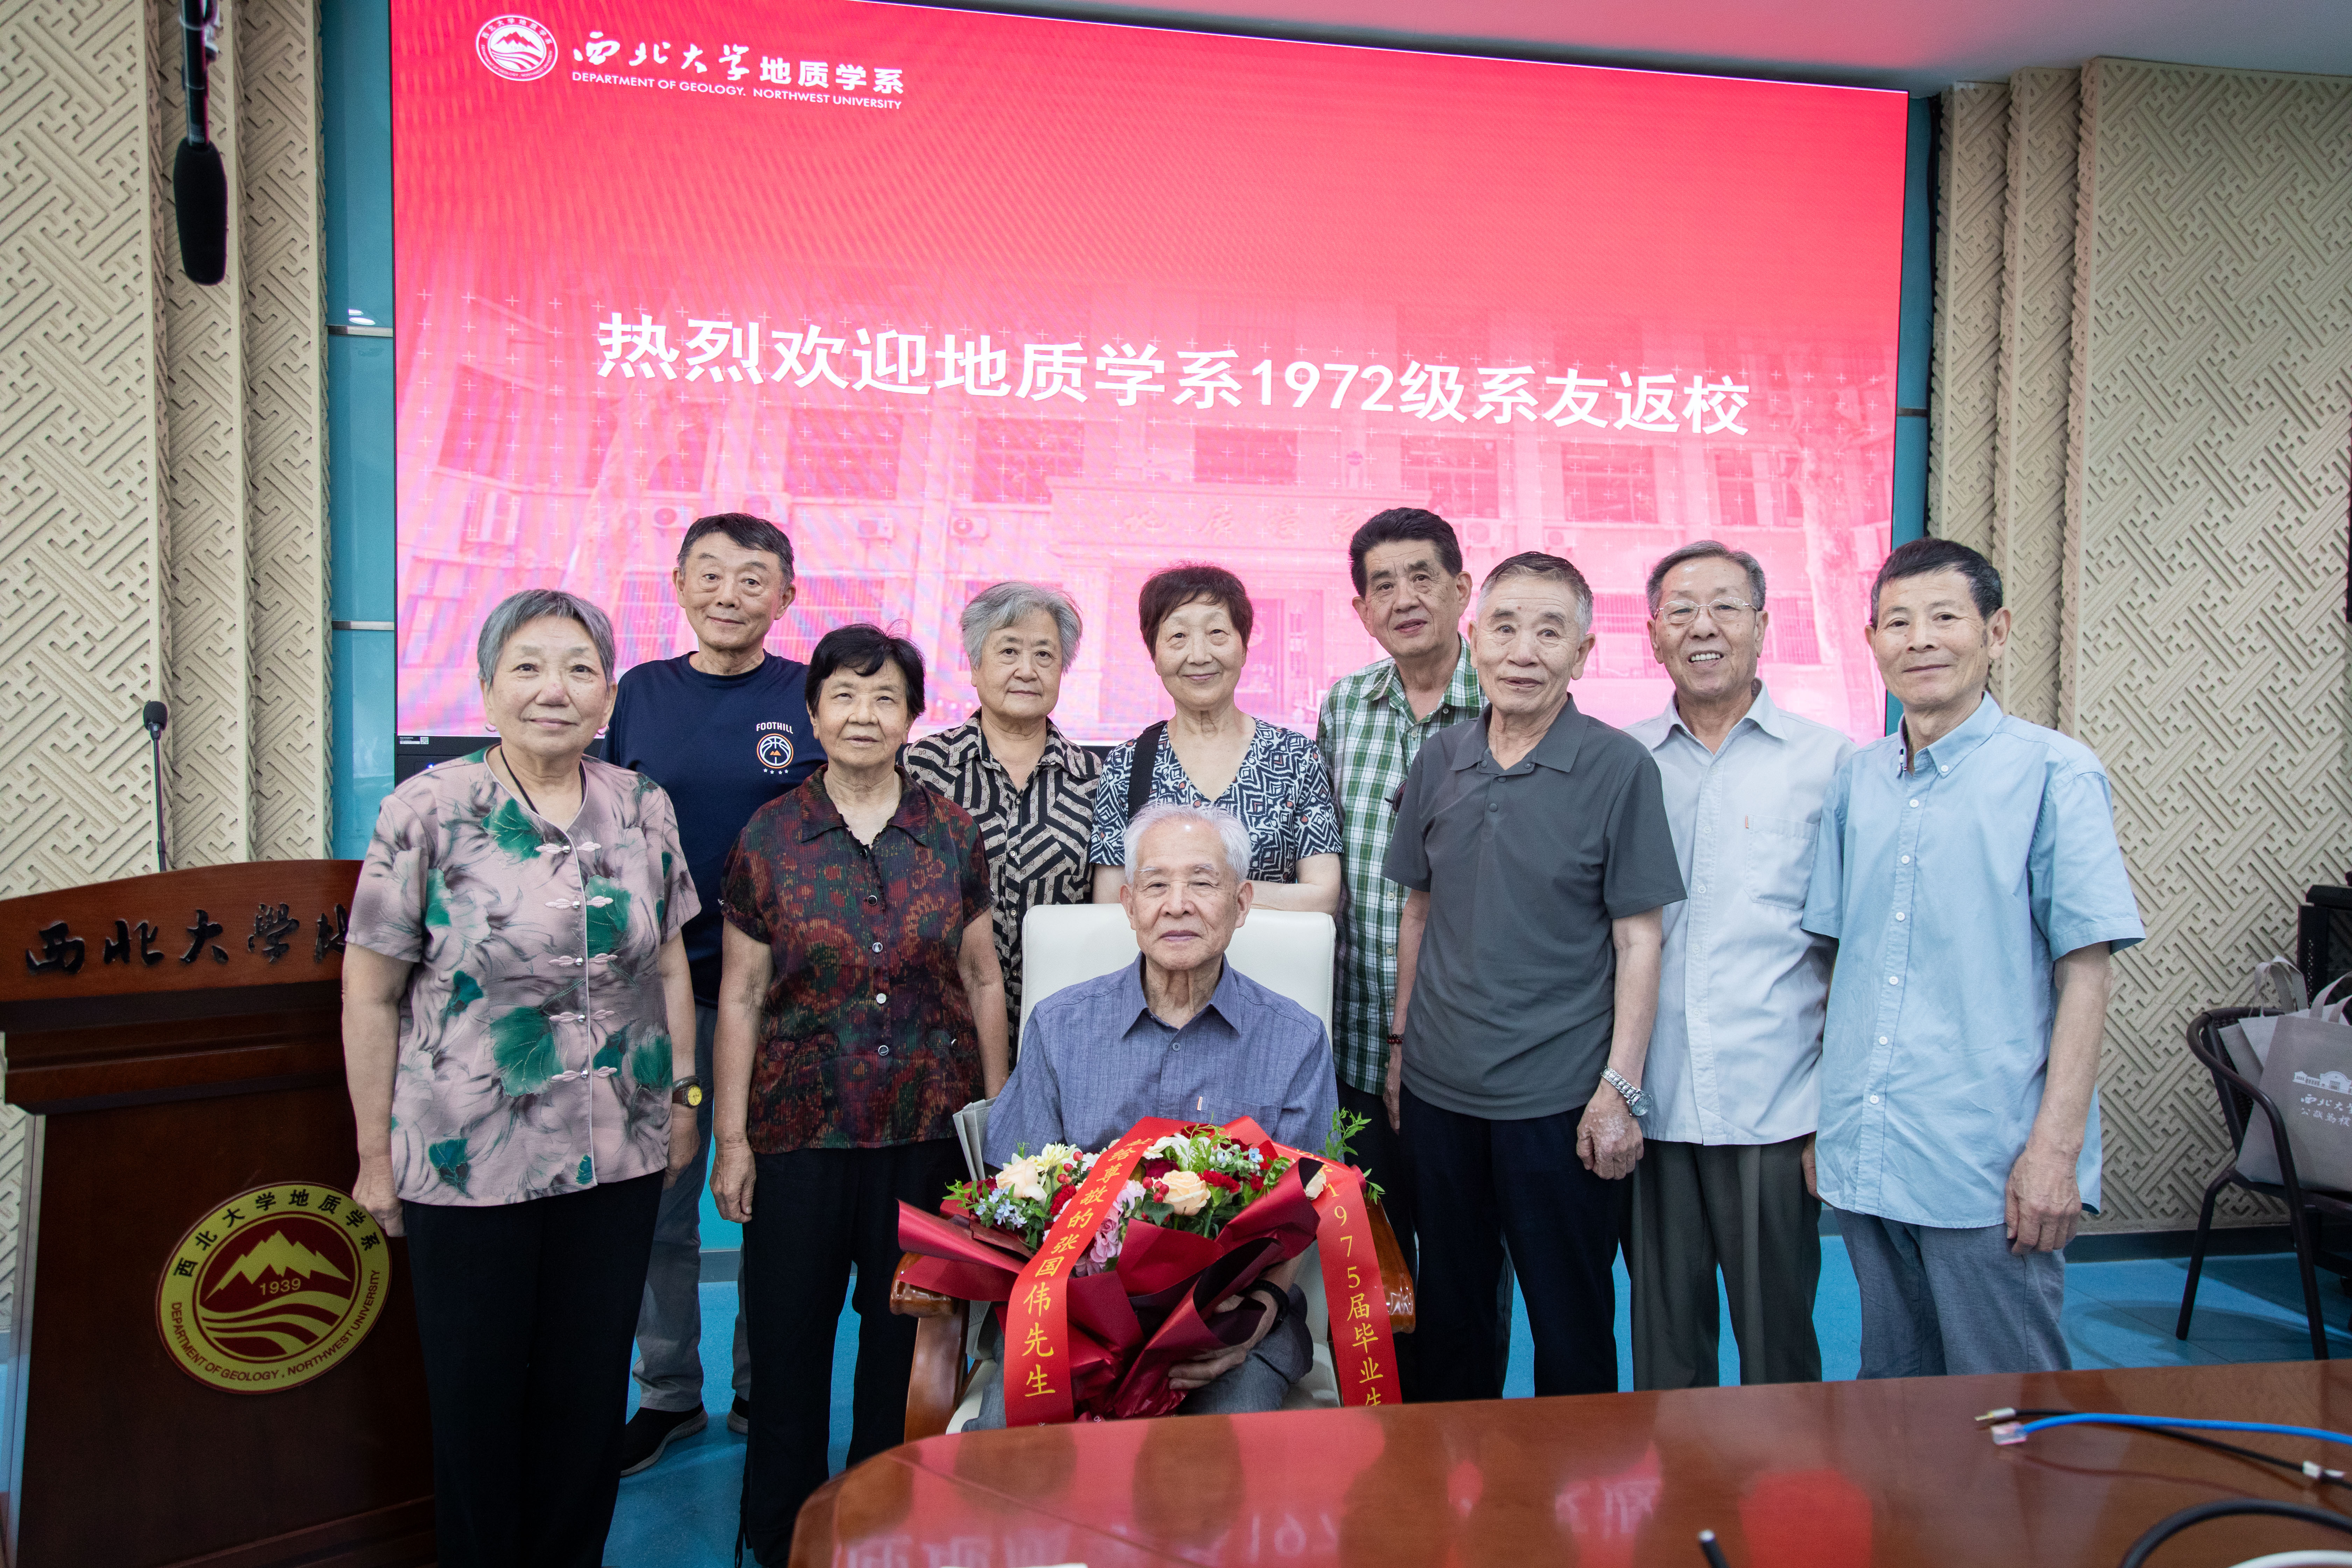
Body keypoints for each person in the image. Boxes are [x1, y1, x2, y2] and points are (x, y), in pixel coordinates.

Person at [341, 588, 701, 1568]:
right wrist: (374, 1157)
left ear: (609, 695)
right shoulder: (429, 809)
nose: (556, 690)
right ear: (488, 687)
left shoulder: (641, 805)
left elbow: (670, 967)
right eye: (530, 667)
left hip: (618, 1149)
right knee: (478, 1402)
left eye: (581, 670)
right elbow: (370, 992)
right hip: (469, 1159)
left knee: (585, 1398)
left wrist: (684, 1102)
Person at [1804, 537, 2142, 1377]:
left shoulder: (2056, 773)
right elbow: (1840, 962)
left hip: (1986, 1158)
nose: (1920, 639)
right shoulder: (1856, 781)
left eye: (1945, 617)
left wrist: (2054, 1152)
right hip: (1869, 1142)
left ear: (1996, 631)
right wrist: (1824, 1123)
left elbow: (2087, 972)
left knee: (2007, 1403)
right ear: (1872, 640)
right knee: (1892, 1387)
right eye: (1897, 622)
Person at [710, 623, 1009, 1564]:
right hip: (799, 1135)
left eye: (886, 698)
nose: (864, 715)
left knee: (905, 1350)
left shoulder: (952, 832)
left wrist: (998, 1120)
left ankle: (885, 1531)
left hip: (926, 1132)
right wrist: (732, 1140)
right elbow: (742, 994)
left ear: (914, 716)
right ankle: (782, 1536)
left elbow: (984, 978)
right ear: (812, 713)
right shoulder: (769, 836)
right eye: (844, 695)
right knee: (789, 1350)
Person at [1384, 552, 1685, 1401]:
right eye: (1506, 627)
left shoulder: (1620, 768)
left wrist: (1619, 1089)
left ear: (1583, 653)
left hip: (1560, 1101)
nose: (1524, 651)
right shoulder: (1440, 758)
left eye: (1550, 632)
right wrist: (1401, 1049)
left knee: (1571, 1322)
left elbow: (1640, 940)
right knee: (1452, 1313)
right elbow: (1419, 911)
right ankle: (1455, 1473)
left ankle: (1574, 1482)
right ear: (1475, 638)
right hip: (1440, 1092)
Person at [981, 800, 1339, 1423]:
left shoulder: (1296, 1040)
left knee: (1226, 1450)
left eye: (1202, 883)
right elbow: (1018, 1195)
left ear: (1242, 904)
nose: (1177, 905)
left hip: (1230, 1323)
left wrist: (1254, 1321)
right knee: (1011, 1446)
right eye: (1155, 885)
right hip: (1075, 1323)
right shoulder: (1059, 1027)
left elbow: (1301, 1213)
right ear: (1128, 905)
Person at [605, 511, 822, 1473]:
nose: (729, 594)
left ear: (786, 596)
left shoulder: (809, 695)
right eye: (711, 574)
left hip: (778, 998)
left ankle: (760, 1386)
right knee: (661, 1203)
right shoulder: (640, 694)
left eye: (752, 578)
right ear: (679, 584)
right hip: (658, 989)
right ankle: (668, 1393)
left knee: (770, 1202)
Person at [1622, 541, 1854, 1391]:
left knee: (1779, 1350)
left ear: (1762, 626)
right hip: (1653, 1106)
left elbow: (1852, 950)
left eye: (1725, 606)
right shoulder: (1623, 762)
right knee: (1666, 1355)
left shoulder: (1831, 764)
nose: (1703, 627)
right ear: (1653, 634)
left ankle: (1786, 1481)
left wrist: (1837, 1111)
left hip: (1777, 1105)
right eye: (1681, 610)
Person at [1314, 507, 1482, 1395]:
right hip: (1356, 1037)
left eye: (1424, 577)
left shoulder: (1508, 698)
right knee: (1369, 1264)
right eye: (1384, 584)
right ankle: (1385, 1439)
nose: (1405, 598)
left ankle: (1465, 1433)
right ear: (1361, 609)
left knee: (1463, 1266)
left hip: (1463, 1048)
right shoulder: (1344, 707)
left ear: (1462, 589)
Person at [905, 581, 1101, 1055]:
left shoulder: (1096, 780)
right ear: (975, 666)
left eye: (1044, 655)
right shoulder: (921, 769)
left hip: (1063, 1032)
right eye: (1009, 651)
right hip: (938, 1033)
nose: (1027, 670)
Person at [1089, 564, 1342, 913]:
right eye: (1178, 636)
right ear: (1155, 656)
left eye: (1217, 633)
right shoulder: (1126, 765)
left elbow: (1322, 896)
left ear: (1244, 647)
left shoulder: (1296, 757)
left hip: (1272, 950)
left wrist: (1200, 895)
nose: (1199, 656)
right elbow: (1110, 903)